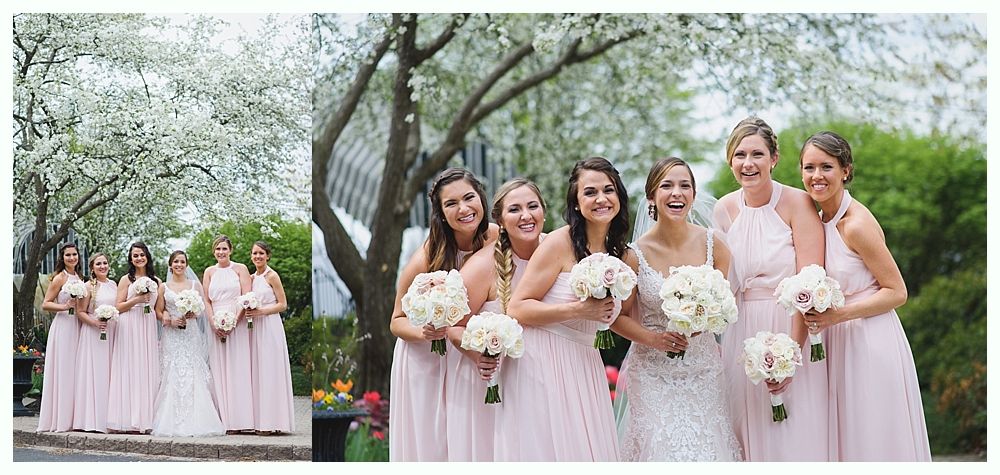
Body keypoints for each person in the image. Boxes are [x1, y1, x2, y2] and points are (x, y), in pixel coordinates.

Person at [798, 131, 931, 461]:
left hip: (870, 340)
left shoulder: (855, 224)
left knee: (872, 434)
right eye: (809, 167)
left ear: (845, 170)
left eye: (826, 167)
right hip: (836, 340)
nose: (817, 176)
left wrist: (836, 316)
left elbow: (897, 292)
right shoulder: (816, 221)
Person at [713, 117, 829, 461]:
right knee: (747, 424)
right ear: (731, 160)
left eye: (757, 154)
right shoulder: (724, 209)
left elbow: (811, 280)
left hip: (791, 325)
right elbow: (721, 282)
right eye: (740, 155)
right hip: (742, 330)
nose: (748, 164)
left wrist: (789, 356)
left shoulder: (798, 203)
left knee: (794, 427)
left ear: (774, 158)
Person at [612, 157, 742, 461]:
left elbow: (723, 306)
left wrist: (704, 320)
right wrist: (653, 338)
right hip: (653, 373)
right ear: (651, 198)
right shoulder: (633, 256)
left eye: (685, 185)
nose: (677, 193)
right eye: (667, 186)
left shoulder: (715, 246)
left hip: (704, 370)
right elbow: (617, 318)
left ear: (694, 195)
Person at [501, 157, 626, 461]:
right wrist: (579, 311)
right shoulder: (560, 242)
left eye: (608, 190)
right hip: (544, 359)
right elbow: (516, 307)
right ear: (576, 201)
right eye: (590, 192)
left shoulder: (618, 252)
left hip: (584, 360)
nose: (601, 199)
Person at [388, 167, 498, 461]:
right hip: (425, 359)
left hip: (467, 354)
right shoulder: (428, 255)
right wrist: (423, 333)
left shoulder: (499, 239)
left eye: (468, 198)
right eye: (451, 204)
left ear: (481, 198)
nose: (463, 209)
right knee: (432, 440)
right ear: (440, 212)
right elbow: (396, 321)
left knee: (472, 439)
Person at [445, 178, 546, 461]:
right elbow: (453, 326)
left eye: (532, 206)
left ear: (544, 212)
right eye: (515, 209)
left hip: (548, 380)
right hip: (500, 384)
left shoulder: (557, 250)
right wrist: (478, 356)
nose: (526, 216)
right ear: (499, 220)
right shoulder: (482, 266)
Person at [151, 250, 225, 437]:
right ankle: (170, 421)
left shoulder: (194, 285)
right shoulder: (164, 287)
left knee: (193, 371)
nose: (179, 265)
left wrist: (194, 313)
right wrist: (170, 320)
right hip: (172, 335)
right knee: (173, 371)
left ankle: (199, 419)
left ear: (186, 264)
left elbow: (202, 309)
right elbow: (158, 312)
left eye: (182, 261)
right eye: (176, 261)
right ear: (170, 265)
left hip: (190, 333)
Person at [108, 242, 161, 434]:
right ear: (131, 259)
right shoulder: (125, 280)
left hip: (147, 326)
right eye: (135, 255)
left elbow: (159, 309)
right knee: (129, 369)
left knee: (146, 370)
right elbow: (118, 307)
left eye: (142, 254)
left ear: (147, 256)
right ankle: (126, 419)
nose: (139, 258)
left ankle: (146, 419)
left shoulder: (156, 281)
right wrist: (137, 300)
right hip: (129, 325)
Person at [203, 234, 254, 434]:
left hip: (237, 324)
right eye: (218, 249)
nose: (221, 252)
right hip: (216, 322)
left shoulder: (240, 269)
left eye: (224, 248)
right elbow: (206, 300)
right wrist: (213, 322)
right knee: (219, 369)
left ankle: (242, 420)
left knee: (238, 368)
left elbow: (247, 298)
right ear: (214, 252)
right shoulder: (209, 271)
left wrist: (234, 322)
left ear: (230, 250)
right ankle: (224, 420)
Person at [247, 241, 296, 435]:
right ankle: (260, 421)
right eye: (254, 253)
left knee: (270, 371)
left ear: (267, 255)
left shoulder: (272, 276)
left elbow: (283, 304)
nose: (257, 256)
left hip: (270, 326)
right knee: (257, 372)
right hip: (254, 328)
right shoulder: (250, 278)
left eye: (261, 253)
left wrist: (261, 311)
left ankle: (274, 422)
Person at [37, 243, 83, 433]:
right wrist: (64, 307)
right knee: (63, 371)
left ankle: (75, 417)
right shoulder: (59, 278)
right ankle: (60, 419)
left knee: (75, 372)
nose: (72, 258)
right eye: (68, 255)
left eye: (74, 254)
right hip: (64, 326)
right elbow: (46, 304)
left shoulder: (79, 278)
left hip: (78, 326)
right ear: (62, 258)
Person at [72, 253, 117, 432]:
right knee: (94, 373)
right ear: (92, 267)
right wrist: (96, 323)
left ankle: (108, 418)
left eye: (105, 263)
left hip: (111, 333)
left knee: (109, 373)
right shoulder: (88, 286)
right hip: (93, 334)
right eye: (98, 264)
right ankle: (90, 420)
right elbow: (80, 311)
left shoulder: (113, 284)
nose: (102, 266)